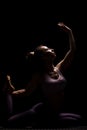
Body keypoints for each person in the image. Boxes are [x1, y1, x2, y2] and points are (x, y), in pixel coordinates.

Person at [2, 22, 81, 128]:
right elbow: (26, 91)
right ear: (44, 57)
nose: (52, 49)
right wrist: (12, 92)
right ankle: (7, 93)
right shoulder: (39, 75)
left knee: (78, 120)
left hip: (56, 113)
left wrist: (69, 32)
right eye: (48, 49)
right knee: (10, 123)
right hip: (42, 112)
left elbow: (72, 50)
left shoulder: (59, 68)